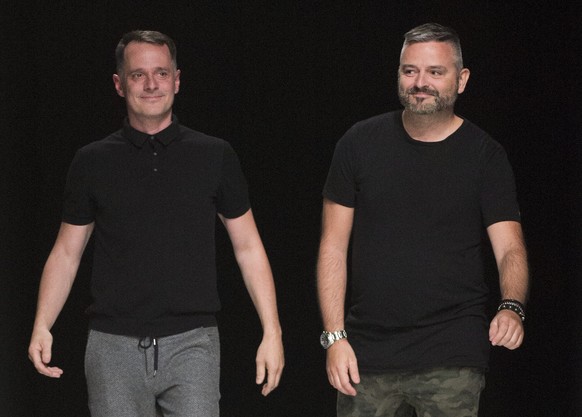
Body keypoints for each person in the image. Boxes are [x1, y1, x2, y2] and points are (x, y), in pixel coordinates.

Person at [28, 30, 284, 417]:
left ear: (177, 80)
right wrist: (42, 323)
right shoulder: (92, 161)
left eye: (161, 73)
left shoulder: (214, 155)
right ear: (119, 84)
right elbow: (67, 251)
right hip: (112, 345)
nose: (151, 84)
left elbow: (248, 246)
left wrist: (273, 331)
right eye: (138, 75)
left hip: (192, 343)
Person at [317, 23, 528, 417]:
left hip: (452, 348)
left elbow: (509, 248)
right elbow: (333, 246)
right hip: (367, 351)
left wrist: (511, 305)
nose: (421, 82)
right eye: (410, 70)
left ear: (461, 80)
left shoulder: (486, 156)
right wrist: (334, 338)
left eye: (436, 71)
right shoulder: (358, 143)